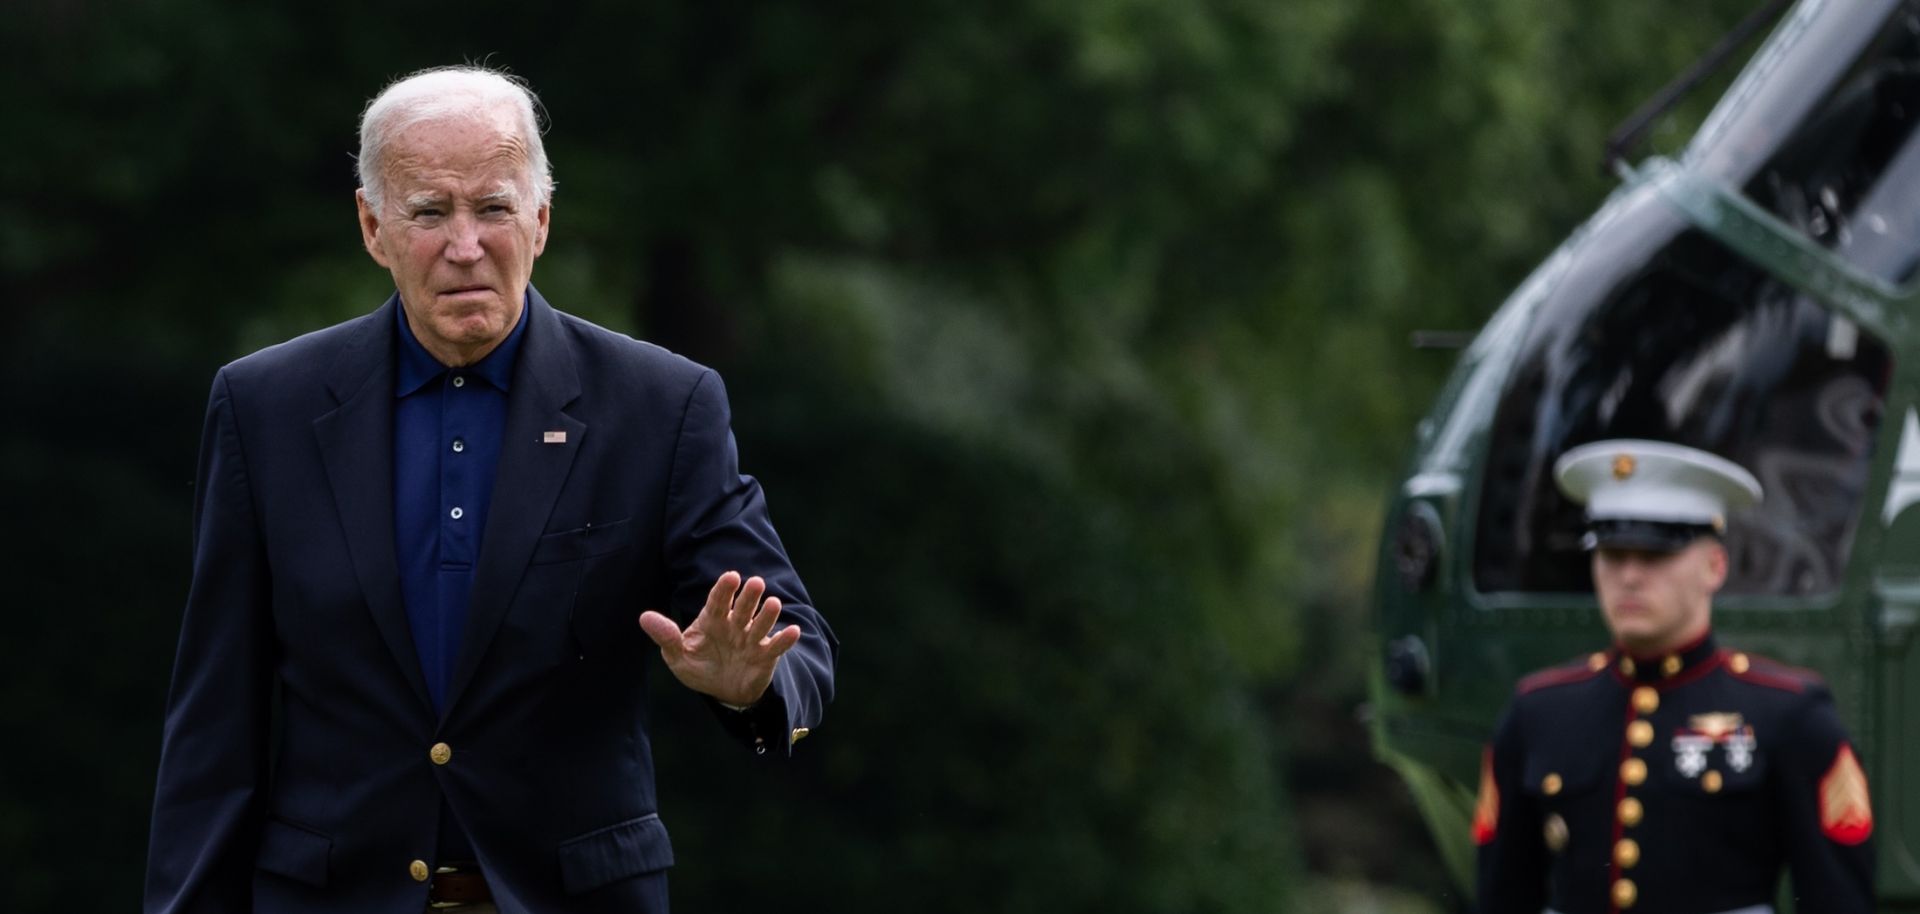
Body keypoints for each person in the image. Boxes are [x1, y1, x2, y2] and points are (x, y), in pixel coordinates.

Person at [143, 65, 837, 914]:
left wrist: (751, 685)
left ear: (541, 219)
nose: (465, 245)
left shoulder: (662, 406)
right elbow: (215, 725)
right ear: (373, 226)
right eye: (430, 212)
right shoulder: (264, 408)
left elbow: (798, 649)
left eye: (494, 208)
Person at [1473, 439, 1873, 914]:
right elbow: (1502, 894)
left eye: (1654, 556)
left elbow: (1837, 899)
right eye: (1612, 554)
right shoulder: (1539, 710)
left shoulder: (1788, 712)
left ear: (1715, 566)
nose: (1630, 577)